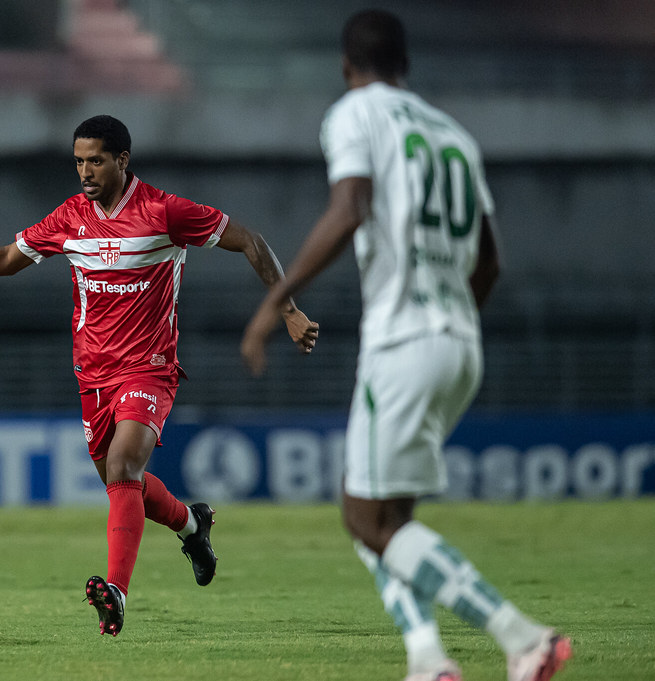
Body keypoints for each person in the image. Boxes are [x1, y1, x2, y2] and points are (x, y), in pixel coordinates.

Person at [240, 10, 571, 681]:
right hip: (459, 343)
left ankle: (520, 636)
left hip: (402, 342)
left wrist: (276, 298)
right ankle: (425, 657)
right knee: (382, 514)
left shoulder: (354, 113)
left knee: (364, 515)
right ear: (405, 64)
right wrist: (447, 320)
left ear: (345, 65)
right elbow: (490, 263)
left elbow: (349, 206)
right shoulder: (452, 134)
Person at [0, 114, 319, 637]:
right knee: (118, 480)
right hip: (92, 375)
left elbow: (249, 240)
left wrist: (286, 310)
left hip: (149, 368)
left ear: (122, 160)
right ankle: (193, 526)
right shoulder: (69, 217)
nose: (85, 170)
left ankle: (117, 594)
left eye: (96, 160)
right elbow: (10, 258)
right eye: (79, 160)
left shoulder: (164, 211)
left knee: (125, 463)